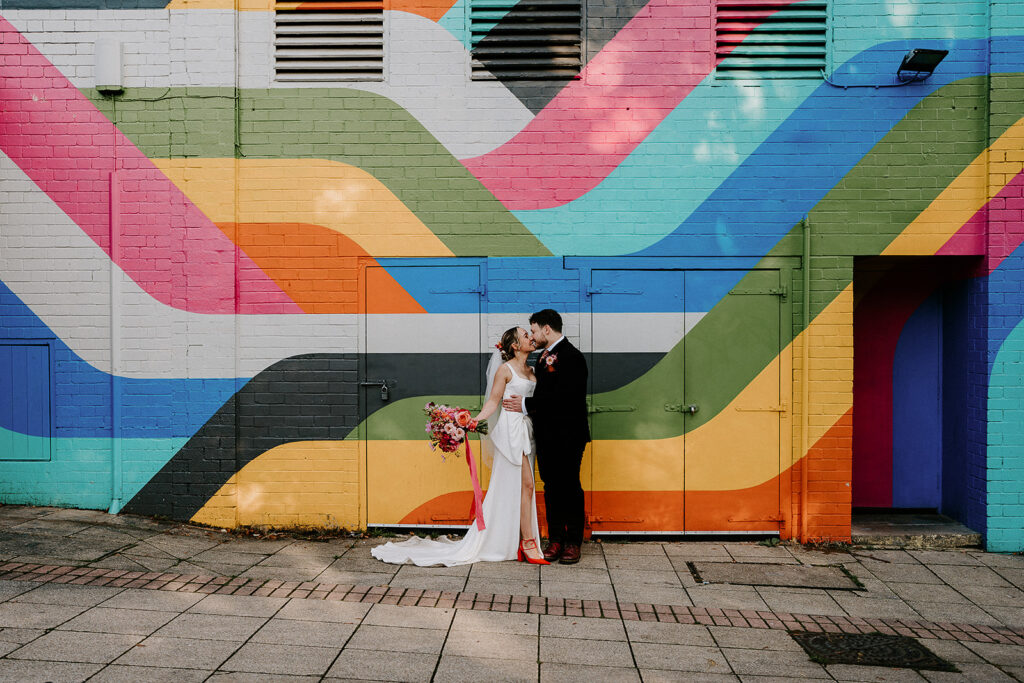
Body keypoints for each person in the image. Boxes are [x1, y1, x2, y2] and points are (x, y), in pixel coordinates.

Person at [371, 326, 549, 566]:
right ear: (515, 345)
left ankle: (516, 540)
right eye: (525, 335)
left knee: (522, 487)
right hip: (511, 431)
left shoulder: (532, 370)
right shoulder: (504, 371)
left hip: (527, 430)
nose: (531, 337)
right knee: (526, 485)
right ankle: (527, 542)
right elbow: (493, 402)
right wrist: (476, 421)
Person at [503, 309, 590, 564]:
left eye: (534, 330)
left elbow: (566, 397)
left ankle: (573, 542)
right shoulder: (542, 358)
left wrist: (527, 404)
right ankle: (555, 540)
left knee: (570, 486)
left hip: (569, 435)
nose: (533, 335)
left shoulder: (573, 357)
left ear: (547, 329)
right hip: (546, 435)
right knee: (551, 487)